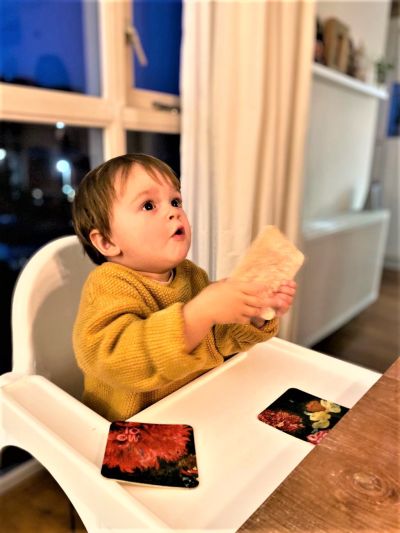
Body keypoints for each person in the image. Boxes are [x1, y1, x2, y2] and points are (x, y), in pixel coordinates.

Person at [72, 154, 297, 421]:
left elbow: (218, 342)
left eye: (175, 201)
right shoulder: (107, 286)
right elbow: (115, 360)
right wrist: (198, 315)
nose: (173, 211)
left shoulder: (190, 275)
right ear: (107, 242)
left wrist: (255, 312)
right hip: (133, 427)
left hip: (197, 407)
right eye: (148, 205)